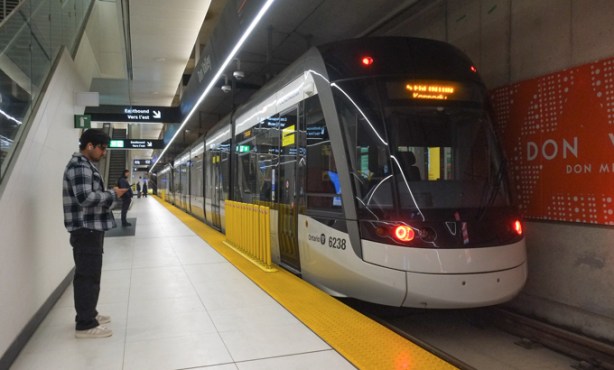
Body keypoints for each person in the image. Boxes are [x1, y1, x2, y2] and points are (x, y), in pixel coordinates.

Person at [63, 129, 128, 338]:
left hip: (90, 228)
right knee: (87, 277)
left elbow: (88, 195)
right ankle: (85, 325)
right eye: (102, 148)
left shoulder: (86, 166)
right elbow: (85, 198)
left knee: (90, 275)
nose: (104, 152)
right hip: (86, 229)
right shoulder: (80, 166)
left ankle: (88, 314)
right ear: (89, 146)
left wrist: (109, 193)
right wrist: (111, 193)